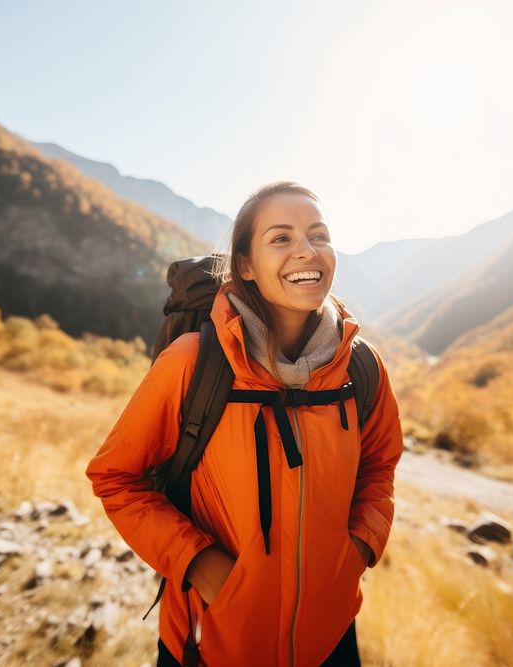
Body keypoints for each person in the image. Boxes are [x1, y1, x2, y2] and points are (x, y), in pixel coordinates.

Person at [85, 181, 404, 667]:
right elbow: (115, 477)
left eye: (319, 235)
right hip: (212, 639)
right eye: (281, 238)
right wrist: (198, 563)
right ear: (246, 266)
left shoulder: (361, 367)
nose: (306, 250)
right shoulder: (194, 363)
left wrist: (357, 549)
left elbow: (380, 465)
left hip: (331, 637)